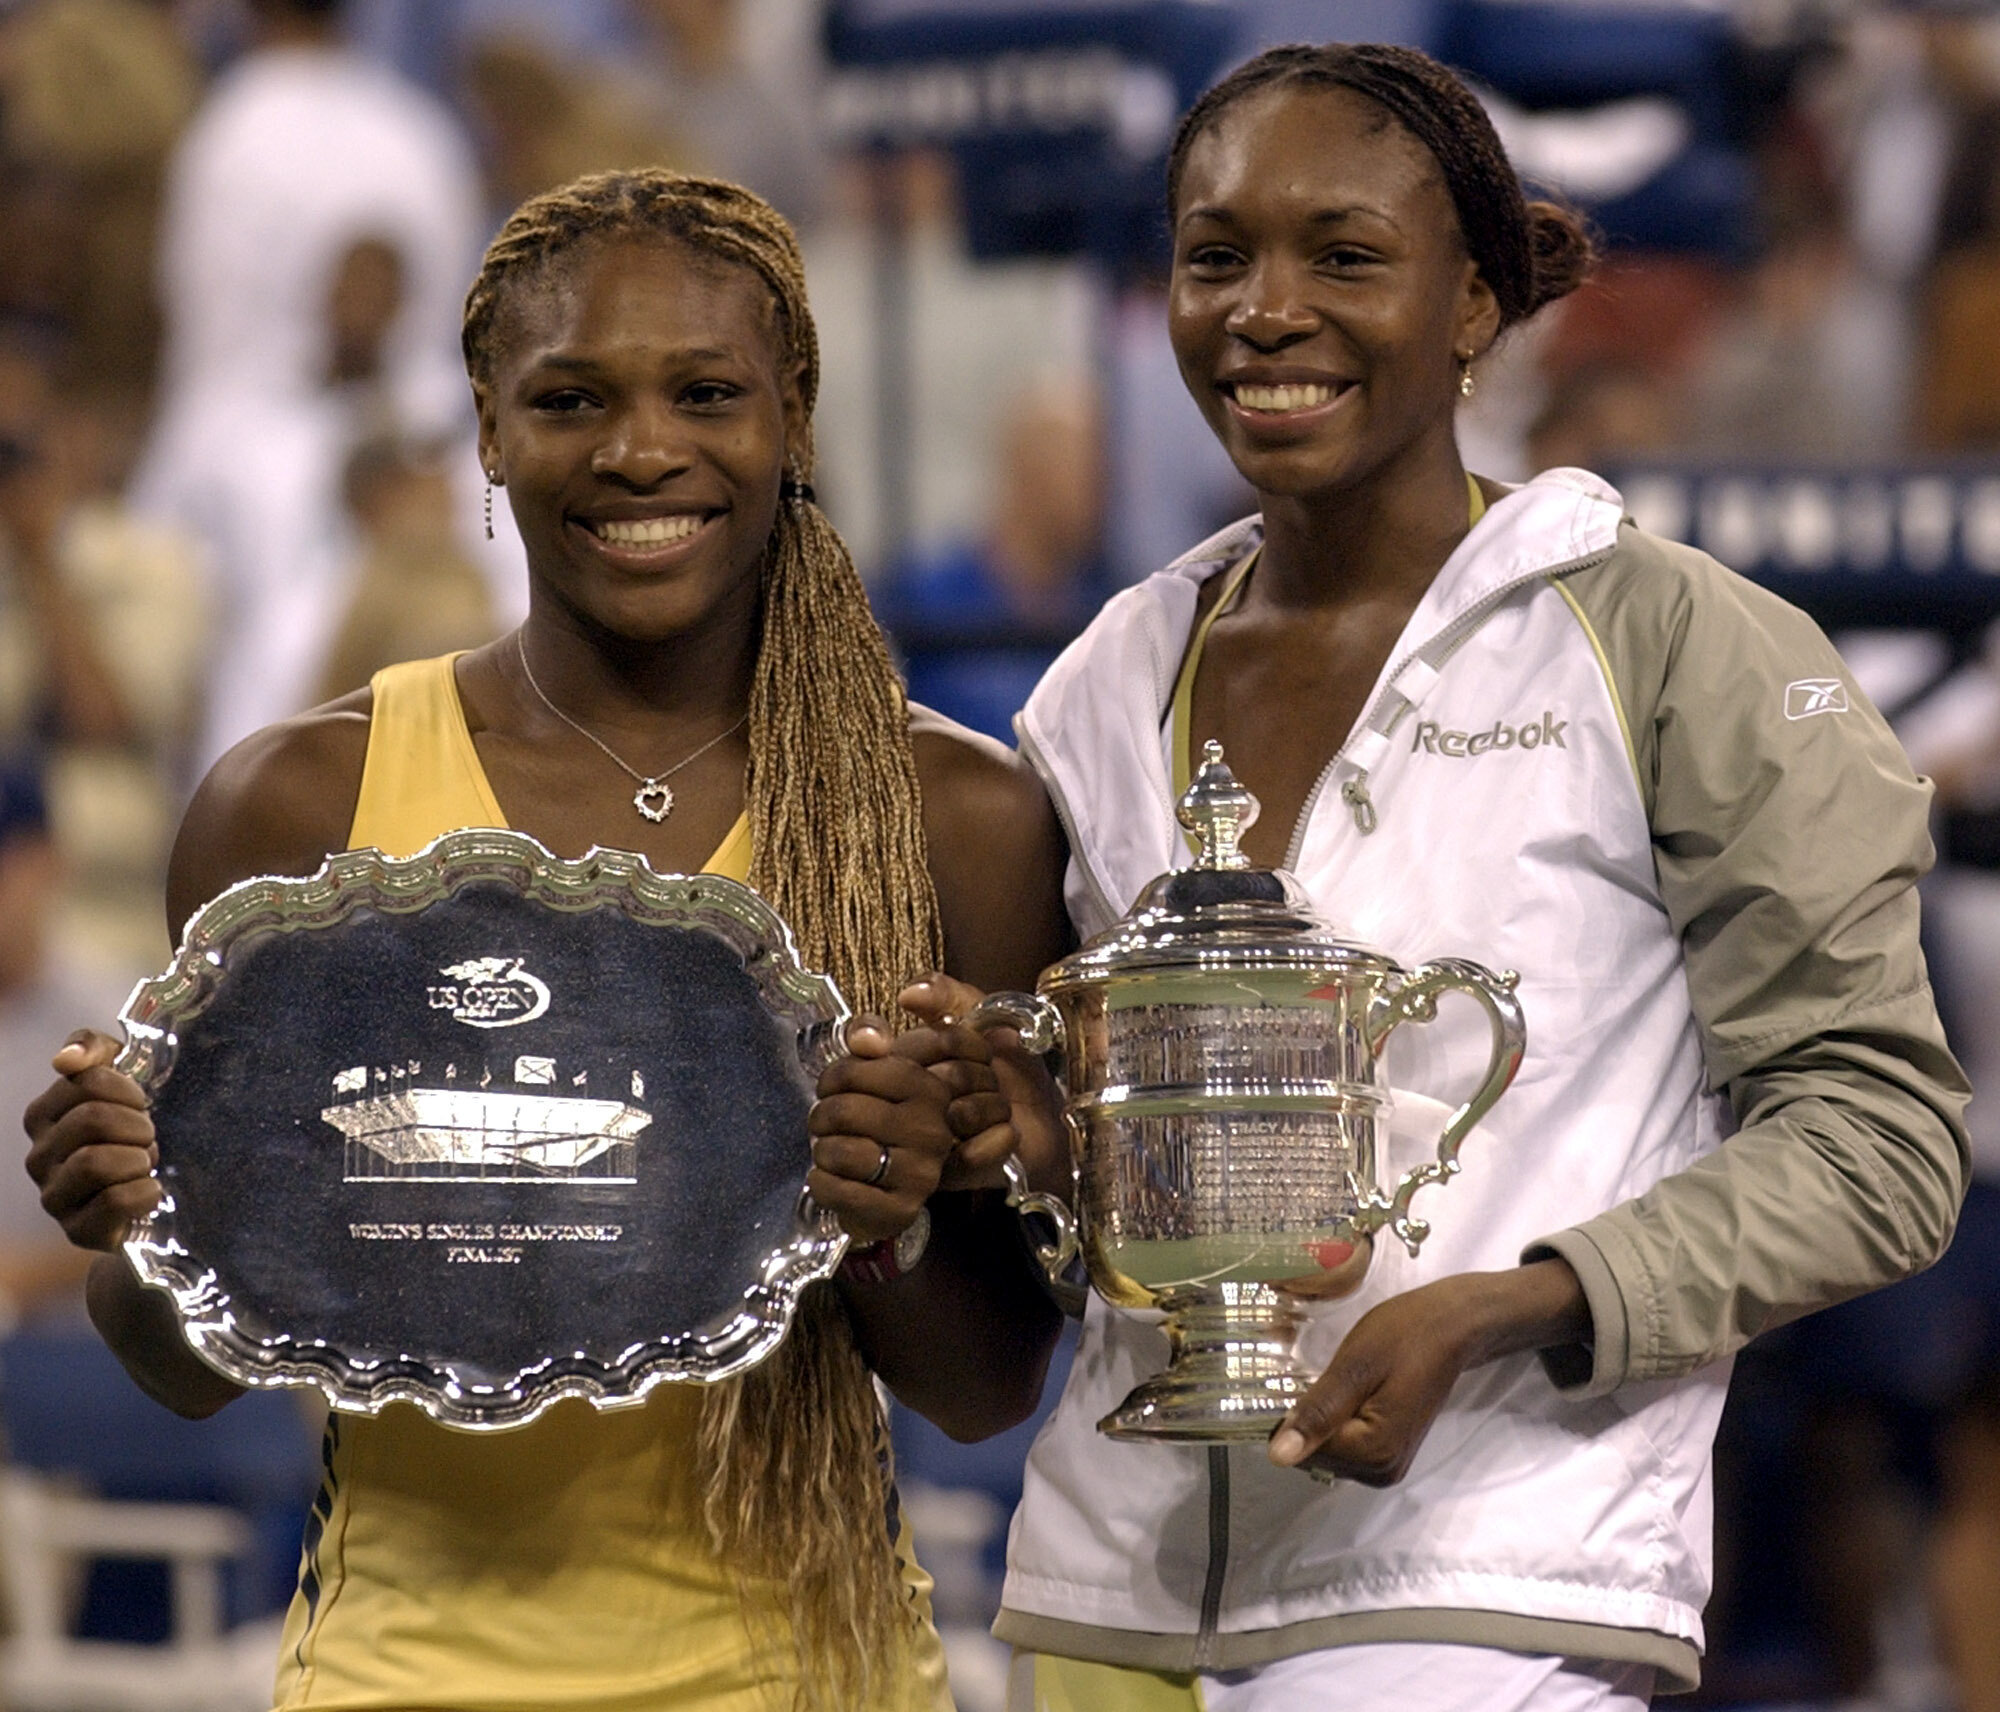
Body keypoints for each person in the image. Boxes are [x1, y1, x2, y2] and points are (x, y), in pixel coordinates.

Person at [907, 44, 1969, 1711]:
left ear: (1474, 306)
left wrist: (1521, 1302)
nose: (1264, 310)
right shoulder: (1106, 682)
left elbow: (1881, 1140)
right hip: (1105, 1595)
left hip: (1489, 1587)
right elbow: (1120, 1195)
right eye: (1214, 256)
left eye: (1343, 255)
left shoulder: (1671, 642)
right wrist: (1033, 1148)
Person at [25, 168, 1070, 1711]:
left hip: (819, 1679)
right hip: (400, 1675)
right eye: (571, 398)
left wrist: (891, 1212)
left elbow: (984, 1393)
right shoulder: (295, 803)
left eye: (707, 393)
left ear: (791, 418)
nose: (643, 449)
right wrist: (137, 1227)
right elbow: (184, 1364)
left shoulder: (952, 816)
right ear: (489, 433)